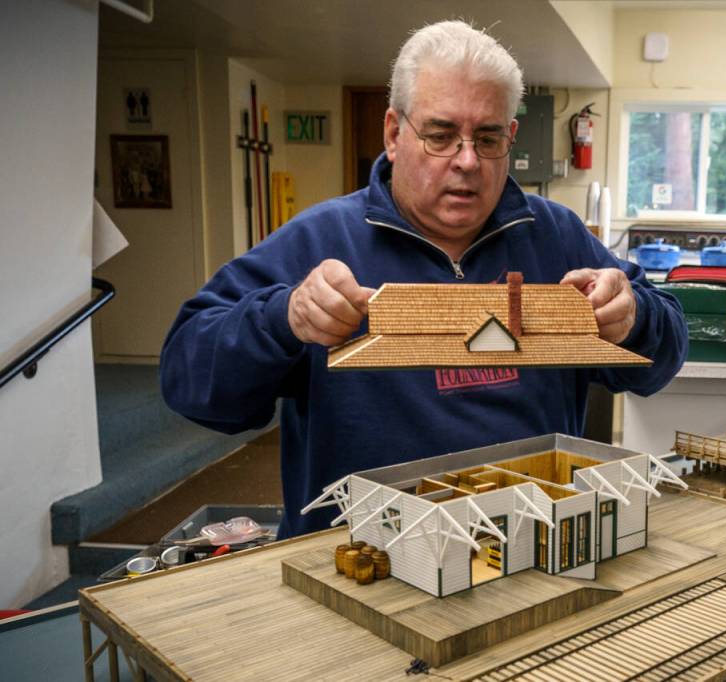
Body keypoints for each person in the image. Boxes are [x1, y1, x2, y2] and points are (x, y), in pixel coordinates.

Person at [160, 20, 687, 539]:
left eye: (487, 138)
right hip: (362, 557)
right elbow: (190, 383)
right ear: (394, 133)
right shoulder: (319, 240)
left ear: (512, 137)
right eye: (440, 136)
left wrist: (635, 319)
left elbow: (660, 360)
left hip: (533, 547)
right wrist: (280, 318)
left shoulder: (557, 236)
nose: (466, 161)